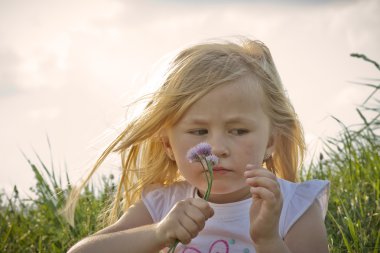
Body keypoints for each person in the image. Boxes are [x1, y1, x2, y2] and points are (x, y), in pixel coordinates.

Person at [65, 37, 329, 253]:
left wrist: (269, 241)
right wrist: (158, 233)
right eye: (199, 131)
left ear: (271, 140)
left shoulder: (294, 207)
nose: (217, 148)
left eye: (238, 130)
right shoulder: (162, 205)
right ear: (168, 145)